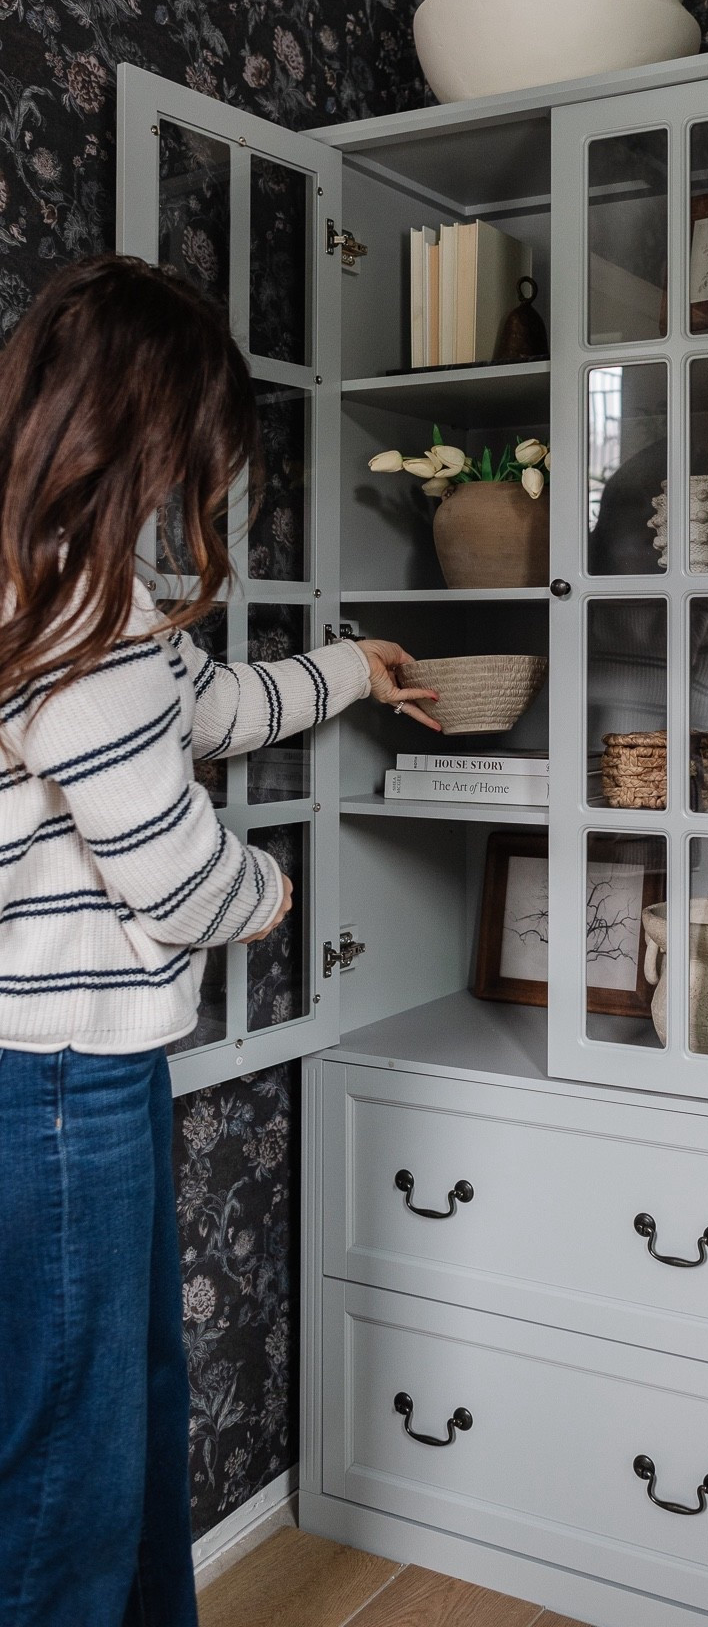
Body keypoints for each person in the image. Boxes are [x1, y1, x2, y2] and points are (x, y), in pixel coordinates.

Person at [0, 255, 439, 1627]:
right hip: (59, 1082)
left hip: (49, 1074)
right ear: (146, 429)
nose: (203, 483)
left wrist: (355, 667)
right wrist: (264, 893)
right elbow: (174, 877)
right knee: (71, 1453)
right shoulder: (86, 618)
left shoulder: (57, 585)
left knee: (113, 1407)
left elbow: (210, 706)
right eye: (199, 451)